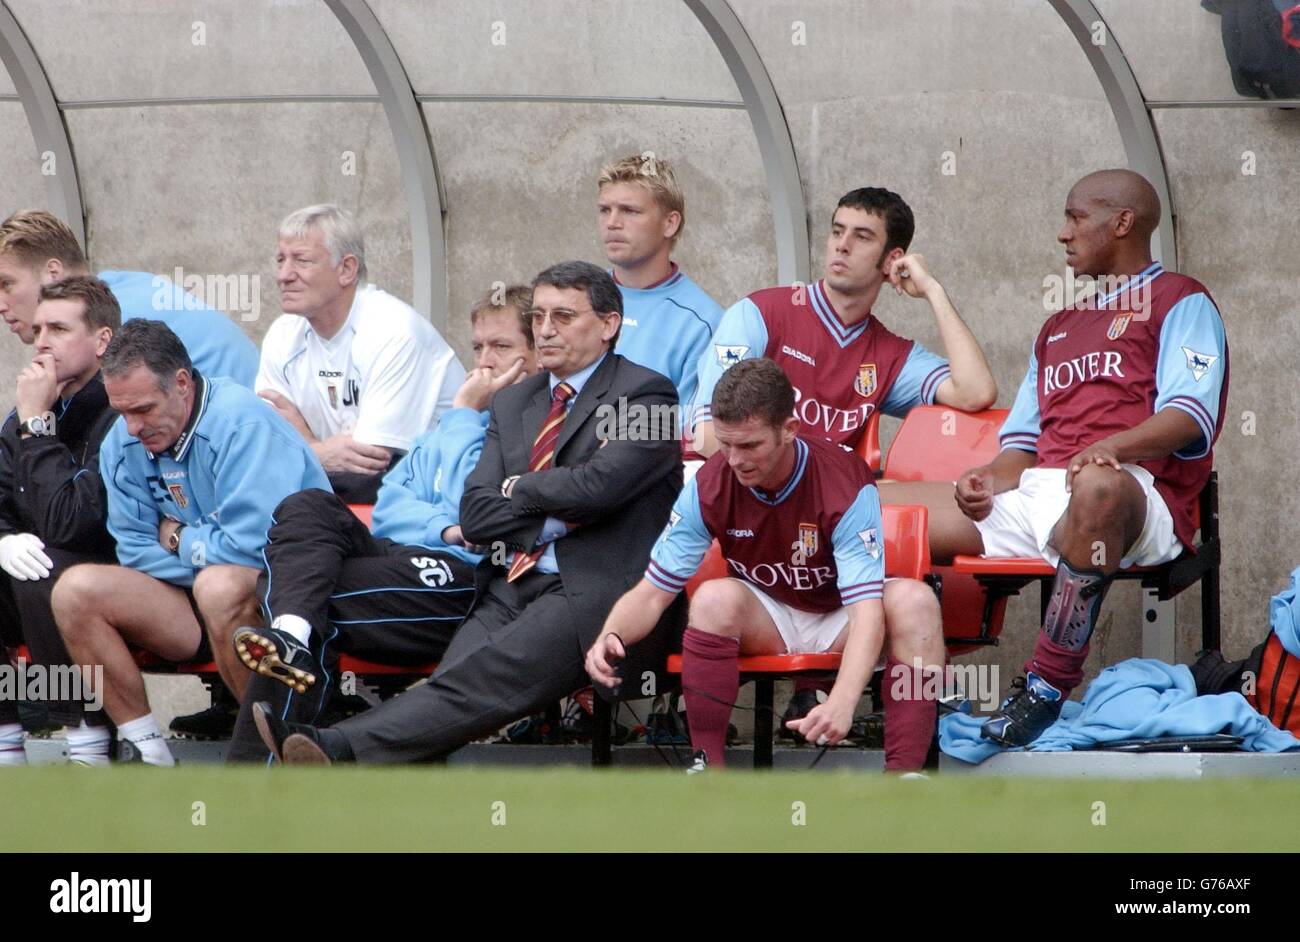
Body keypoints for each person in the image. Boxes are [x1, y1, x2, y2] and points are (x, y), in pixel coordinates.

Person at [250, 261, 684, 764]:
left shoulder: (647, 392)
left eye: (564, 316)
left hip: (598, 593)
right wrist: (551, 499)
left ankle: (336, 748)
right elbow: (476, 514)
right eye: (540, 316)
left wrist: (517, 487)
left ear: (609, 325)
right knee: (453, 688)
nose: (545, 329)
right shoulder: (515, 401)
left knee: (477, 681)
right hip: (511, 579)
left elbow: (601, 487)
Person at [887, 169, 1229, 746]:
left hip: (1133, 498)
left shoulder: (1180, 299)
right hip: (1041, 494)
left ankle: (1045, 688)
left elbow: (1189, 417)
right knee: (863, 503)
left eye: (1075, 218)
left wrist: (1110, 448)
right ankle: (919, 692)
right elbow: (1019, 450)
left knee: (1098, 484)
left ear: (1121, 223)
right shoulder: (1058, 327)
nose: (1063, 234)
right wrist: (984, 480)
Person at [224, 286, 538, 762]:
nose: (484, 364)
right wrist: (444, 523)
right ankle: (290, 638)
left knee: (307, 597)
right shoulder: (446, 431)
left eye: (501, 348)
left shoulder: (527, 429)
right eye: (477, 348)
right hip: (396, 554)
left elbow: (476, 507)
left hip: (464, 574)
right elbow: (391, 502)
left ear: (535, 357)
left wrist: (465, 416)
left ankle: (258, 769)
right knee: (307, 505)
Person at [586, 358, 943, 772]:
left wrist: (844, 701)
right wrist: (611, 633)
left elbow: (866, 613)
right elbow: (652, 592)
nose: (735, 459)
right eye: (726, 443)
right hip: (770, 616)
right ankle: (707, 771)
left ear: (789, 430)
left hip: (840, 616)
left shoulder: (844, 482)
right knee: (712, 598)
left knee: (917, 601)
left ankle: (905, 778)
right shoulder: (708, 484)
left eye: (750, 445)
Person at [49, 320, 329, 765]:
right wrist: (200, 555)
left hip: (283, 596)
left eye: (143, 409)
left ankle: (268, 757)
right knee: (73, 589)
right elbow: (134, 549)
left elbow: (257, 546)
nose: (132, 427)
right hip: (186, 600)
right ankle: (150, 754)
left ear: (182, 383)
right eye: (121, 411)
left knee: (218, 587)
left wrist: (178, 537)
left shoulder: (241, 423)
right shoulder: (122, 442)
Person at [689, 186, 996, 456]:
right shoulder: (760, 313)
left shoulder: (890, 356)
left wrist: (934, 291)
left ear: (892, 260)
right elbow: (707, 436)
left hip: (827, 512)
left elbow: (975, 393)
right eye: (837, 231)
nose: (842, 244)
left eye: (862, 237)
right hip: (737, 499)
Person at [256, 203, 466, 503]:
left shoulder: (394, 332)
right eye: (280, 260)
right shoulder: (283, 332)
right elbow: (262, 446)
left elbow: (366, 467)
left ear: (346, 269)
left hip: (428, 501)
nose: (283, 275)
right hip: (341, 498)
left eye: (301, 260)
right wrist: (320, 452)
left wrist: (301, 446)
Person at [0, 277, 119, 765]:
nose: (42, 339)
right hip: (51, 566)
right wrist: (3, 537)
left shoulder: (118, 410)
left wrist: (38, 426)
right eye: (40, 327)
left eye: (60, 329)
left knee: (43, 572)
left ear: (101, 340)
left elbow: (72, 523)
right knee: (19, 565)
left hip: (117, 576)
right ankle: (6, 739)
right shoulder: (25, 413)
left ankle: (88, 738)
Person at [0, 209, 259, 386]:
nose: (1, 305)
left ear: (53, 273)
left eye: (6, 284)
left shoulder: (115, 318)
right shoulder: (121, 287)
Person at [598, 153, 723, 414]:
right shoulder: (575, 298)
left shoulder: (702, 323)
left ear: (670, 223)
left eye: (630, 211)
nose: (612, 223)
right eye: (605, 210)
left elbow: (697, 428)